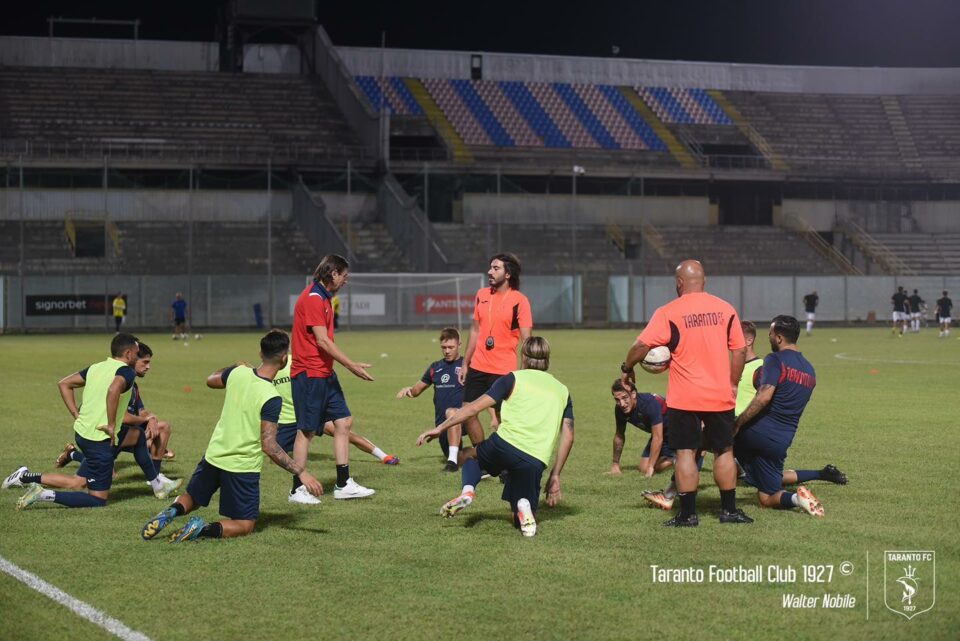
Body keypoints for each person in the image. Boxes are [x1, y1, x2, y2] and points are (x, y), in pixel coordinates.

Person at [140, 329, 324, 542]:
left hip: (214, 455)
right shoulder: (271, 397)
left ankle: (172, 512)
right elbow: (269, 445)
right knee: (244, 525)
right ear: (284, 359)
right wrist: (301, 472)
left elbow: (211, 380)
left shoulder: (239, 373)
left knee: (192, 498)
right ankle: (201, 529)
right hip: (241, 466)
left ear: (260, 353)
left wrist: (234, 367)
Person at [621, 259, 749, 527]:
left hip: (685, 396)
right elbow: (738, 350)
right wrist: (734, 382)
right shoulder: (725, 309)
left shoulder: (669, 311)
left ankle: (688, 514)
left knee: (685, 453)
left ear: (679, 283)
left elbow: (641, 345)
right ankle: (729, 511)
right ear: (704, 281)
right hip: (718, 394)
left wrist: (627, 366)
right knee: (724, 451)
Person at [417, 337, 574, 537]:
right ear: (547, 359)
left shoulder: (512, 378)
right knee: (522, 519)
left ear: (523, 357)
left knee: (471, 456)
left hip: (504, 445)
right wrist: (555, 475)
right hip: (535, 459)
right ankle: (524, 505)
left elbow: (473, 407)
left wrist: (441, 428)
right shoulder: (563, 390)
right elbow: (568, 436)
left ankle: (467, 492)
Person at [6, 334, 162, 509]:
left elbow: (64, 383)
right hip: (99, 438)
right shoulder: (126, 371)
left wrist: (75, 414)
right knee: (97, 499)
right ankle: (42, 494)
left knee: (136, 436)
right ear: (128, 353)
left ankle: (157, 482)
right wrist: (112, 424)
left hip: (83, 433)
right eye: (136, 352)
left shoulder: (96, 367)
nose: (138, 355)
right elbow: (113, 390)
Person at [290, 254, 375, 500]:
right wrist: (351, 366)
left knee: (344, 421)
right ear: (333, 273)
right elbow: (323, 341)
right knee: (306, 431)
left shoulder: (325, 298)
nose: (345, 281)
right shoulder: (314, 298)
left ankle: (343, 483)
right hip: (310, 374)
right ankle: (297, 488)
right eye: (344, 276)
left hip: (325, 373)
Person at [734, 316, 836, 517]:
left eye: (771, 334)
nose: (769, 337)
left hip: (757, 431)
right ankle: (798, 499)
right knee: (766, 498)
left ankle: (678, 494)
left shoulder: (775, 359)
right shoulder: (810, 370)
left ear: (779, 337)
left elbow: (763, 397)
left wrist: (737, 424)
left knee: (714, 443)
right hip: (781, 441)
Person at [46, 342, 182, 494]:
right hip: (105, 435)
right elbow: (122, 417)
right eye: (145, 362)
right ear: (131, 358)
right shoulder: (120, 380)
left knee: (153, 430)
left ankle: (156, 480)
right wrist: (141, 421)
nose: (148, 366)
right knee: (81, 484)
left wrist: (150, 419)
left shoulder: (131, 384)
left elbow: (141, 411)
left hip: (115, 432)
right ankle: (28, 477)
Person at [274, 352, 398, 506]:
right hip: (285, 422)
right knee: (273, 452)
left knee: (342, 430)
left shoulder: (298, 362)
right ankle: (299, 487)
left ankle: (383, 456)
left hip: (308, 413)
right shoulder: (271, 369)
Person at [458, 253, 533, 447]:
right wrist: (465, 363)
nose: (490, 272)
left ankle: (504, 461)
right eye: (490, 267)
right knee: (467, 412)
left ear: (508, 274)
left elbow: (527, 342)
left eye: (496, 268)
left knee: (504, 418)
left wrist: (525, 374)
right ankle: (483, 456)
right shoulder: (481, 295)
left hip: (503, 370)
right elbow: (475, 330)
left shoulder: (520, 301)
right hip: (478, 366)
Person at [397, 327, 466, 472]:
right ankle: (481, 456)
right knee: (461, 458)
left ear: (459, 345)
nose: (447, 351)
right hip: (442, 428)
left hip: (463, 418)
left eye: (451, 347)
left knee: (451, 412)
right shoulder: (436, 368)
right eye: (444, 347)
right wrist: (408, 390)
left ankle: (451, 463)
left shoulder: (467, 366)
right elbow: (416, 391)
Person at [608, 380, 673, 477]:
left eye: (625, 398)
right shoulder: (620, 409)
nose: (622, 404)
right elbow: (619, 435)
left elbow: (658, 438)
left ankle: (680, 457)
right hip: (661, 432)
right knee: (643, 468)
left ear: (633, 394)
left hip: (676, 431)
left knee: (655, 467)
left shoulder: (649, 404)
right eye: (617, 400)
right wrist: (615, 464)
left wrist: (651, 468)